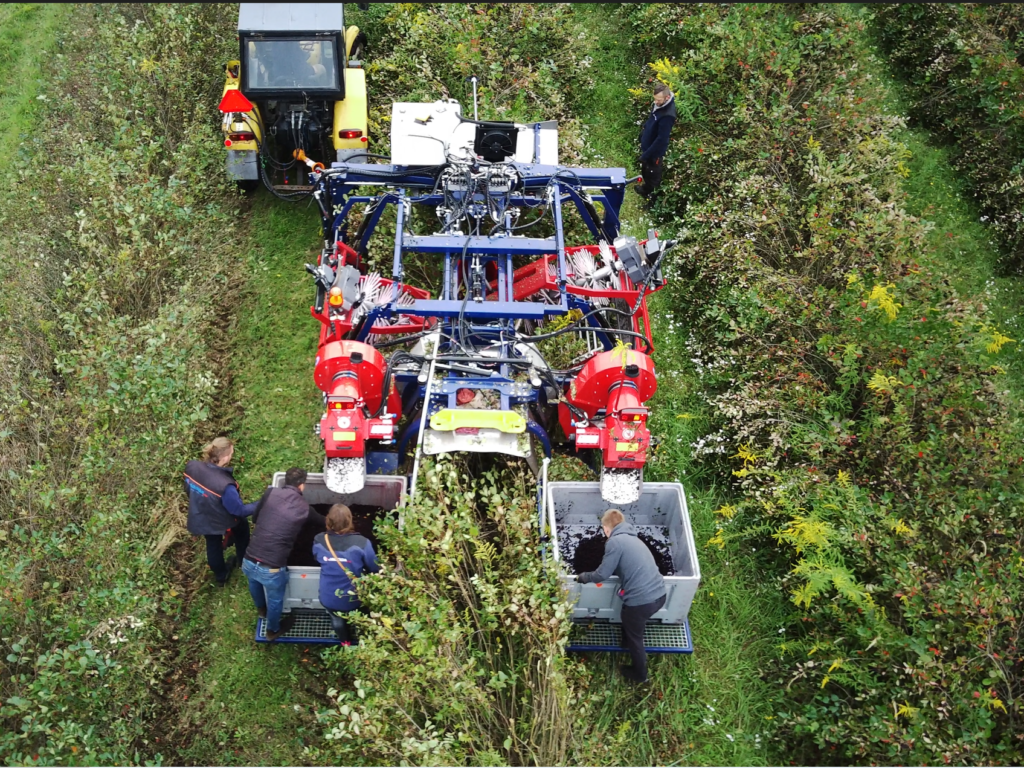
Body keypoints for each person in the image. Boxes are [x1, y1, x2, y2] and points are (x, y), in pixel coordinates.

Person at [576, 508, 667, 684]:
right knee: (631, 622)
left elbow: (602, 575)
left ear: (606, 528)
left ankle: (640, 675)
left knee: (636, 637)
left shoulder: (614, 542)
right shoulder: (634, 539)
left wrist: (584, 577)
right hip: (660, 594)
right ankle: (626, 640)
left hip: (641, 602)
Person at [242, 467, 325, 641]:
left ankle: (261, 609)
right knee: (275, 599)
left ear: (285, 481)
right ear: (301, 486)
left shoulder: (270, 493)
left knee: (254, 582)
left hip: (249, 557)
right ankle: (272, 630)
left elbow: (256, 518)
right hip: (272, 566)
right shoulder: (304, 508)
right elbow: (322, 522)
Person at [184, 437, 259, 587]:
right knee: (242, 528)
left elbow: (188, 489)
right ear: (225, 457)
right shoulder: (225, 486)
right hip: (219, 518)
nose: (232, 455)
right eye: (231, 453)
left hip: (200, 514)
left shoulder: (192, 467)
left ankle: (221, 576)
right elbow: (239, 511)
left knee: (212, 543)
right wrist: (261, 503)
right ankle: (243, 561)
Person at [313, 504, 380, 644]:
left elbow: (316, 557)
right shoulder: (362, 543)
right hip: (354, 598)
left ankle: (345, 642)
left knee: (337, 619)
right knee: (360, 615)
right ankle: (364, 640)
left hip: (329, 597)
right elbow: (374, 568)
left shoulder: (319, 540)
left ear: (328, 520)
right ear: (350, 520)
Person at [635, 82, 677, 200]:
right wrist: (643, 133)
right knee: (646, 170)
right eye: (655, 99)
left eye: (658, 100)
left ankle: (652, 200)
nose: (656, 102)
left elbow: (661, 139)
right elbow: (651, 120)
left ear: (667, 97)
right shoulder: (658, 105)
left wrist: (647, 154)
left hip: (655, 152)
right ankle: (644, 189)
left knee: (653, 175)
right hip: (648, 146)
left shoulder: (668, 116)